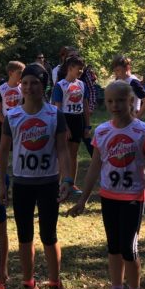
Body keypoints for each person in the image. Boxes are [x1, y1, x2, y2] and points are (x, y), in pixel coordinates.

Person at [68, 81, 145, 289]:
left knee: (128, 249)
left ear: (131, 102)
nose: (115, 105)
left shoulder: (142, 130)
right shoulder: (102, 131)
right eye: (110, 101)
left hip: (133, 196)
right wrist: (83, 199)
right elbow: (94, 168)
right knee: (113, 247)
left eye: (120, 100)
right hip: (109, 196)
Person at [0, 63, 72, 289]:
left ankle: (54, 285)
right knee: (24, 235)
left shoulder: (54, 114)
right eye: (25, 83)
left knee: (49, 235)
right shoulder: (13, 116)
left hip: (48, 183)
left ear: (43, 86)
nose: (29, 87)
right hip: (22, 183)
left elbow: (62, 149)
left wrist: (67, 179)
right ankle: (29, 285)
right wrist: (1, 183)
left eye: (34, 83)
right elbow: (3, 151)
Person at [51, 56, 91, 193]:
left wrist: (87, 125)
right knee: (63, 153)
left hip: (77, 119)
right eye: (78, 68)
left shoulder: (82, 84)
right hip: (65, 119)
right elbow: (57, 108)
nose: (81, 70)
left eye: (82, 68)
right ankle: (58, 183)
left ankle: (71, 184)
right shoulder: (60, 85)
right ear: (70, 68)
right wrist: (64, 127)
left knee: (74, 154)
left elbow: (85, 106)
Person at [0, 61, 24, 153]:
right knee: (1, 148)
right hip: (5, 122)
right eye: (20, 72)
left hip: (20, 123)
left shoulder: (23, 88)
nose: (22, 75)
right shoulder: (1, 88)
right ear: (11, 73)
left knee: (19, 148)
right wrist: (5, 122)